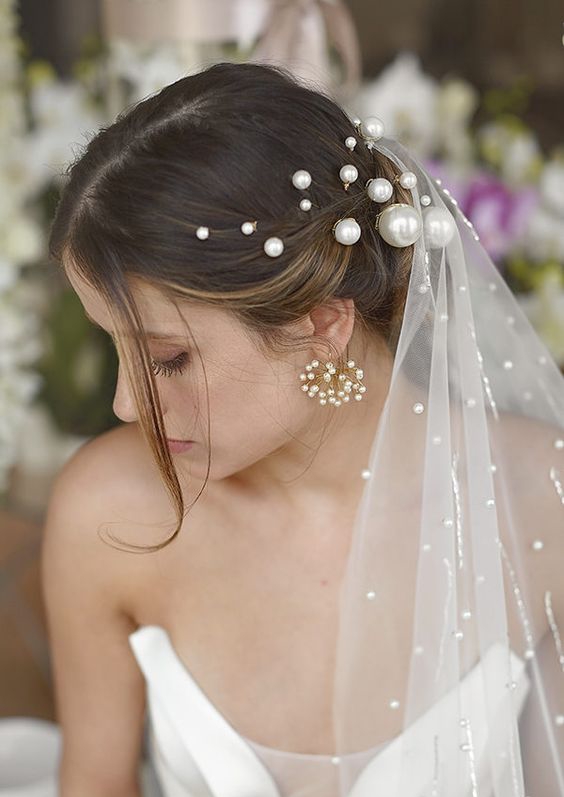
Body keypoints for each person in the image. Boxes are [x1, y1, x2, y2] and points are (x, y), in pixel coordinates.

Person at [41, 61, 564, 797]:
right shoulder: (108, 512)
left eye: (168, 358)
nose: (128, 403)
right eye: (114, 348)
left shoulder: (541, 501)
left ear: (322, 325)